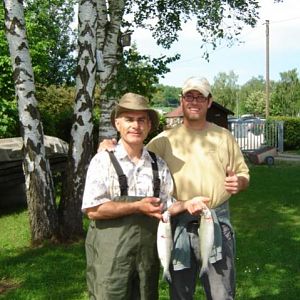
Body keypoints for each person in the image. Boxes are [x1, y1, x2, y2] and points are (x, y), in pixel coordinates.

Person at [99, 77, 250, 300]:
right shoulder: (164, 141)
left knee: (222, 294)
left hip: (216, 222)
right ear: (181, 100)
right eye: (189, 96)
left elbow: (243, 173)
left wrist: (240, 182)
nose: (194, 101)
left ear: (209, 102)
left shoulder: (224, 137)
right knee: (180, 294)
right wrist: (110, 144)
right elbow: (135, 154)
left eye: (200, 97)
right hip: (178, 225)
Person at [82, 92, 209, 300]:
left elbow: (166, 207)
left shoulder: (158, 164)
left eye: (141, 120)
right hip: (110, 260)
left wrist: (187, 203)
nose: (136, 125)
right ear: (117, 124)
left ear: (149, 126)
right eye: (129, 119)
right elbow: (93, 210)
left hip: (146, 259)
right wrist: (137, 206)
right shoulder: (102, 161)